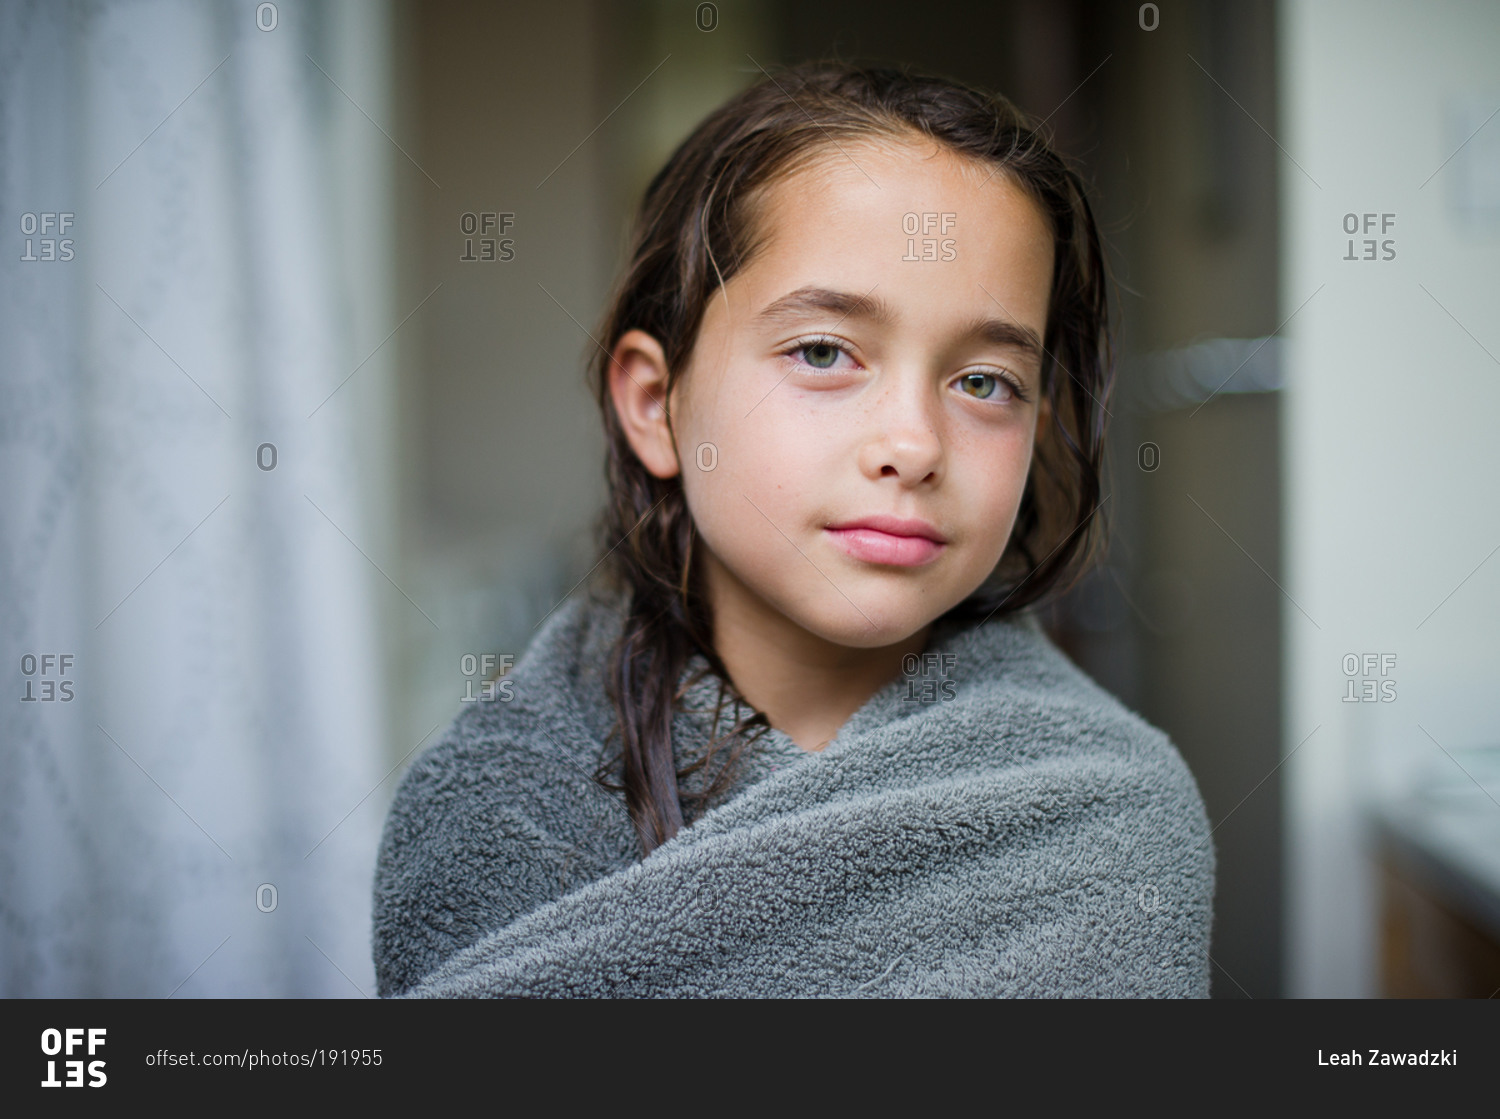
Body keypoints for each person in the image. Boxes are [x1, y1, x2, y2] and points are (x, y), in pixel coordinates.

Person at [372, 61, 1215, 998]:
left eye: (983, 381)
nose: (914, 444)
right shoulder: (493, 805)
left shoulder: (1111, 814)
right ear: (656, 403)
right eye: (824, 352)